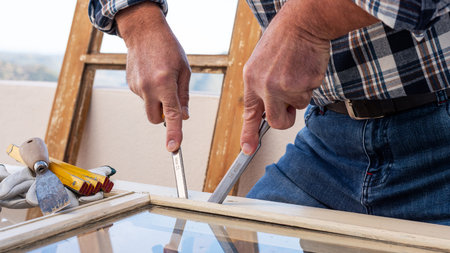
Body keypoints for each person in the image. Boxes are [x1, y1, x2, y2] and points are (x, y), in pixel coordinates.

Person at [89, 0, 450, 225]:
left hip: (441, 144)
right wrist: (139, 21)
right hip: (328, 144)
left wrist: (304, 22)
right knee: (215, 235)